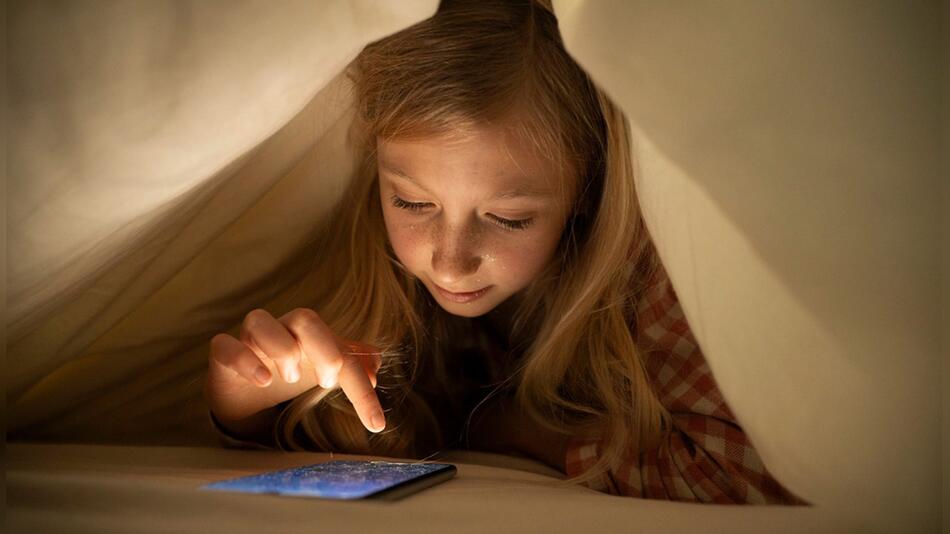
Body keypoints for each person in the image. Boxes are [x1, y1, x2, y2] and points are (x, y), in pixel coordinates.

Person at [203, 0, 807, 505]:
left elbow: (746, 475)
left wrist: (501, 425)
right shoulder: (370, 258)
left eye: (508, 217)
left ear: (583, 187)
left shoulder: (649, 268)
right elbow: (313, 436)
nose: (449, 260)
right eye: (412, 203)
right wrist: (248, 402)